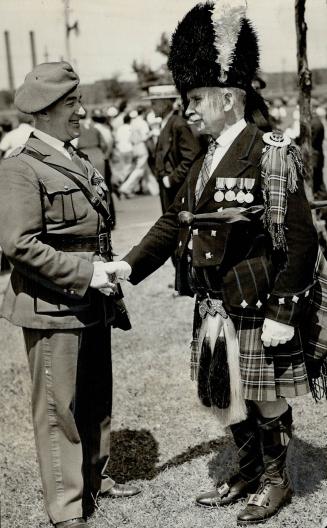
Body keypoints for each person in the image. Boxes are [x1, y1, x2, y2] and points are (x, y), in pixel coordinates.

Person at [105, 2, 319, 525]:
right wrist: (128, 267)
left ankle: (275, 481)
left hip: (257, 303)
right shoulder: (205, 157)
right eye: (186, 99)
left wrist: (283, 314)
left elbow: (302, 240)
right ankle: (246, 472)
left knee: (266, 400)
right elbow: (175, 222)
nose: (189, 109)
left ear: (228, 97)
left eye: (196, 98)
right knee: (230, 396)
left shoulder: (269, 152)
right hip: (215, 303)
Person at [0, 62, 140, 528]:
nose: (82, 111)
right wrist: (88, 272)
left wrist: (102, 272)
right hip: (52, 305)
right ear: (42, 112)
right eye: (71, 104)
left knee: (96, 397)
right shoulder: (20, 167)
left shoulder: (74, 157)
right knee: (60, 410)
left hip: (91, 297)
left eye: (79, 101)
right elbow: (19, 245)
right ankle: (66, 510)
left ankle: (96, 479)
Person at [145, 84, 201, 214]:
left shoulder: (178, 124)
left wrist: (172, 179)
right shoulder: (167, 123)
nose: (151, 107)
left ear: (164, 104)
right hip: (168, 185)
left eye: (154, 103)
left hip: (176, 187)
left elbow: (192, 156)